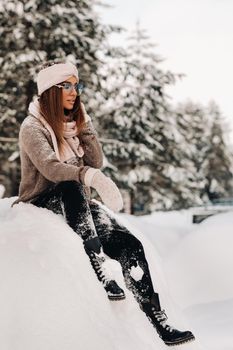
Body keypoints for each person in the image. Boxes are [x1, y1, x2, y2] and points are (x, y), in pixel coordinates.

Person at [13, 61, 195, 346]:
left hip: (77, 204)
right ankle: (96, 261)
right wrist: (90, 176)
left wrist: (85, 127)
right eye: (67, 85)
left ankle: (158, 319)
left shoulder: (73, 124)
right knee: (72, 185)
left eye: (77, 85)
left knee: (130, 245)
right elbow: (51, 169)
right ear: (50, 89)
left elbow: (96, 161)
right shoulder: (32, 126)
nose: (75, 92)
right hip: (43, 200)